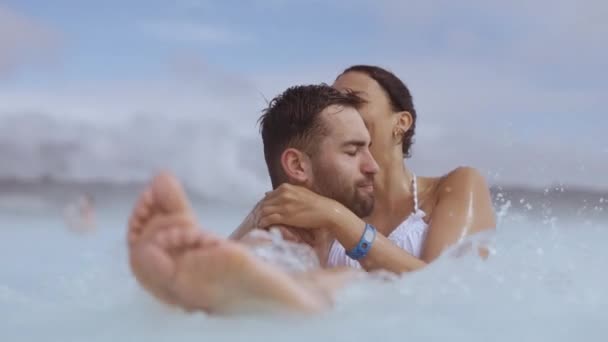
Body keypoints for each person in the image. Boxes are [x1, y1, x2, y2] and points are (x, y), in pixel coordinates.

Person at [127, 84, 385, 315]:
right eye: (353, 151)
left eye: (368, 150)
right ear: (297, 165)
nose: (372, 166)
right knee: (345, 277)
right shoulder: (275, 240)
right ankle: (299, 298)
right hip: (293, 289)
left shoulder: (343, 238)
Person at [232, 65, 497, 274]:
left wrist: (337, 218)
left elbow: (449, 287)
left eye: (352, 100)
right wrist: (258, 215)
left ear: (401, 122)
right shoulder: (326, 199)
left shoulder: (457, 185)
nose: (341, 110)